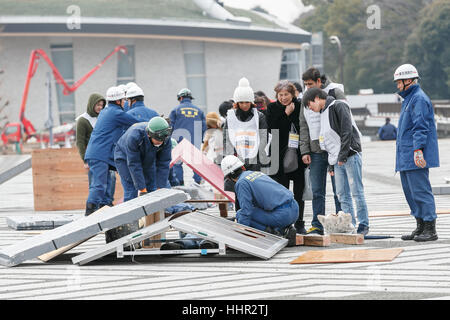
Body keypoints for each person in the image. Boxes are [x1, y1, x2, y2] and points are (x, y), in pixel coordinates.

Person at [302, 87, 370, 235]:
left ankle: (363, 225)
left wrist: (343, 156)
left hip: (350, 156)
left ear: (317, 98)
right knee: (342, 194)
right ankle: (349, 225)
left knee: (356, 191)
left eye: (310, 105)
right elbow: (327, 141)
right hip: (336, 160)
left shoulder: (339, 105)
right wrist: (332, 165)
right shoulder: (323, 112)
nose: (310, 109)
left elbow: (347, 131)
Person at [393, 64, 439, 242]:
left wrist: (418, 150)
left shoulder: (418, 99)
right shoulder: (409, 99)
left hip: (414, 155)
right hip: (405, 156)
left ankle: (430, 228)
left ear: (409, 80)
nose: (397, 86)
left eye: (399, 82)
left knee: (421, 191)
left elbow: (421, 127)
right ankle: (420, 226)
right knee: (410, 192)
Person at [83, 86, 140, 216]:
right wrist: (155, 122)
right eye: (123, 100)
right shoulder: (116, 113)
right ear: (118, 101)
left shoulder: (106, 111)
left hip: (101, 154)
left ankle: (101, 206)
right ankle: (89, 213)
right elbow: (135, 122)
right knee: (98, 185)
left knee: (104, 183)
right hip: (100, 154)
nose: (125, 102)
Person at [299, 67, 343, 235]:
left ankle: (341, 223)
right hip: (315, 151)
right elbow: (303, 125)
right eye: (305, 84)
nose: (308, 87)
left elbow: (344, 118)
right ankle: (317, 225)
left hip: (334, 150)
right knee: (317, 191)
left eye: (310, 84)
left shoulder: (335, 92)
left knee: (339, 190)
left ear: (319, 81)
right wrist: (304, 151)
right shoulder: (305, 98)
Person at [221, 155, 298, 246]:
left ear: (229, 178)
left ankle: (274, 235)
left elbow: (246, 211)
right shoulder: (256, 173)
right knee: (257, 211)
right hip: (294, 209)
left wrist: (240, 233)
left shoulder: (241, 183)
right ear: (243, 167)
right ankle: (285, 230)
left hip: (282, 215)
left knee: (240, 214)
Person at [223, 77, 269, 211]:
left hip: (255, 159)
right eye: (241, 102)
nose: (244, 105)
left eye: (247, 102)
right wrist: (230, 158)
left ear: (251, 102)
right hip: (236, 160)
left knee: (255, 190)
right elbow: (227, 139)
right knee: (239, 191)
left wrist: (257, 157)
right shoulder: (230, 117)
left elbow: (264, 137)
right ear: (236, 102)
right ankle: (241, 216)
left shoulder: (259, 116)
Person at [266, 80, 306, 234]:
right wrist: (285, 114)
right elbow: (271, 129)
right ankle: (284, 223)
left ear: (293, 94)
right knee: (282, 192)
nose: (283, 98)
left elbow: (303, 127)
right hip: (278, 154)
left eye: (286, 94)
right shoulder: (272, 107)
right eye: (280, 95)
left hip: (297, 153)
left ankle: (300, 222)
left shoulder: (300, 105)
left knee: (299, 191)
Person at [114, 117, 172, 202]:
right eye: (158, 140)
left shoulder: (166, 138)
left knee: (152, 186)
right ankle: (132, 213)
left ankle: (153, 214)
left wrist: (161, 188)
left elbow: (164, 163)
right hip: (125, 158)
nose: (161, 142)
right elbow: (134, 164)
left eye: (163, 140)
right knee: (131, 189)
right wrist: (142, 189)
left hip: (147, 156)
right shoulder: (134, 136)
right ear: (149, 134)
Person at [76, 93, 117, 207]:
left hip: (107, 156)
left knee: (111, 179)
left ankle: (107, 203)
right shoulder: (83, 120)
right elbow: (80, 142)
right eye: (98, 105)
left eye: (102, 105)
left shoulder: (103, 117)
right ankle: (94, 206)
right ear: (91, 104)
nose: (100, 107)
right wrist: (85, 160)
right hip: (94, 157)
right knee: (96, 182)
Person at [169, 88, 206, 185]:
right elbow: (203, 127)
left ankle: (180, 184)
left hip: (178, 142)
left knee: (177, 164)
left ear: (180, 98)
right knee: (196, 164)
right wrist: (200, 140)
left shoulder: (175, 111)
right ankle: (198, 184)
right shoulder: (199, 111)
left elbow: (170, 127)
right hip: (195, 142)